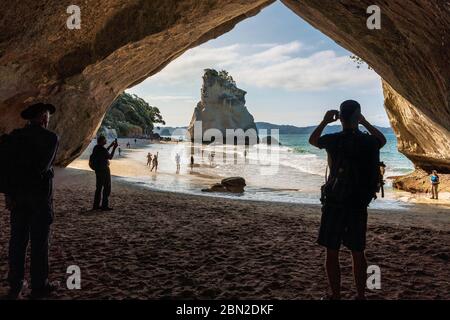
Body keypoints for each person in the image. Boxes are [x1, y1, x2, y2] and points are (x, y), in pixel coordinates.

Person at [309, 100, 386, 300]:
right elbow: (382, 139)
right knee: (358, 252)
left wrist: (325, 121)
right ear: (357, 117)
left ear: (341, 118)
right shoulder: (369, 142)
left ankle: (336, 296)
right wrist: (365, 121)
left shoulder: (333, 140)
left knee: (332, 251)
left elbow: (312, 140)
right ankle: (360, 296)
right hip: (358, 203)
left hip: (334, 202)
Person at [4, 103, 60, 299]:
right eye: (47, 116)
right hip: (39, 198)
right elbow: (43, 167)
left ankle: (15, 283)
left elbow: (4, 168)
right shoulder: (50, 138)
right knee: (39, 242)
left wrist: (8, 194)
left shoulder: (14, 137)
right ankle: (39, 284)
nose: (48, 119)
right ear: (44, 117)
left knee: (17, 241)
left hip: (18, 198)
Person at [90, 135, 118, 211]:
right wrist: (114, 148)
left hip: (98, 170)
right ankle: (104, 206)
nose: (106, 141)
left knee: (98, 188)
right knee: (107, 188)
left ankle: (96, 206)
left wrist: (110, 146)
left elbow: (104, 153)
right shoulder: (102, 149)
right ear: (102, 141)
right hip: (104, 170)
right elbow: (110, 157)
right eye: (105, 140)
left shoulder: (96, 147)